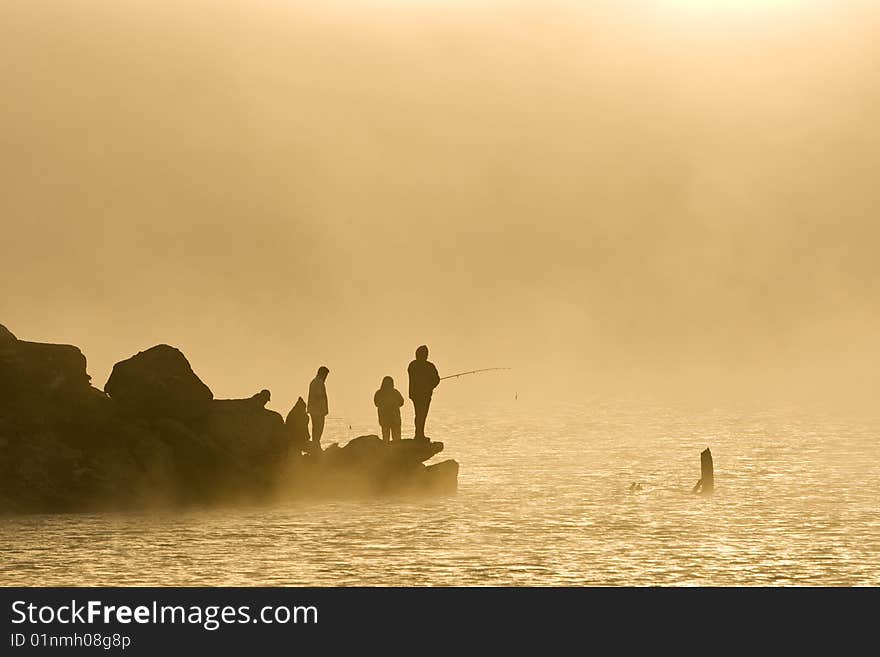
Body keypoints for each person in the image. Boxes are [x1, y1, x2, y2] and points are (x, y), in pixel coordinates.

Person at [407, 345, 439, 441]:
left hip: (415, 395)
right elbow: (437, 379)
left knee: (418, 414)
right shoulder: (429, 366)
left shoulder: (412, 365)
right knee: (422, 414)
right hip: (424, 395)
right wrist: (430, 386)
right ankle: (419, 435)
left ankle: (419, 434)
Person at [374, 376, 404, 442]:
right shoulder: (395, 392)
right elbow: (402, 402)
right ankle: (396, 450)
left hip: (385, 419)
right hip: (395, 419)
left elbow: (376, 403)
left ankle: (387, 450)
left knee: (386, 439)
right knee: (397, 439)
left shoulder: (379, 393)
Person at [307, 366, 330, 450]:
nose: (326, 377)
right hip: (318, 411)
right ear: (322, 374)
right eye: (325, 375)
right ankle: (316, 446)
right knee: (318, 429)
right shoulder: (318, 382)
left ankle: (316, 445)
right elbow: (319, 396)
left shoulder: (316, 382)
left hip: (316, 410)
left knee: (316, 429)